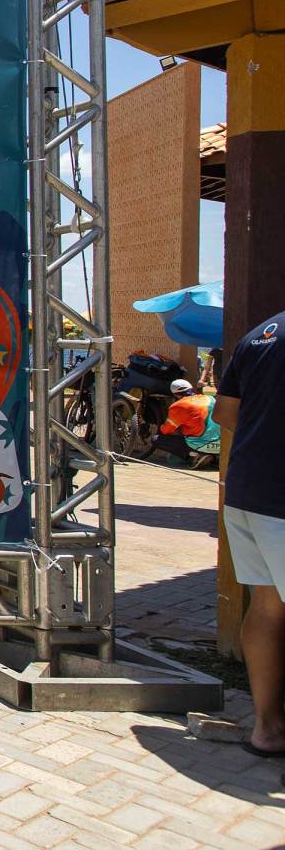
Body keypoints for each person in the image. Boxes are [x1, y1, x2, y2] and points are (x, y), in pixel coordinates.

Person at [213, 310, 285, 761]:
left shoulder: (260, 334)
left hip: (248, 492)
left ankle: (267, 729)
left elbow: (224, 412)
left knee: (267, 606)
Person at [153, 377, 220, 467]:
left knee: (156, 439)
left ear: (175, 394)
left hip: (200, 445)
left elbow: (166, 430)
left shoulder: (178, 406)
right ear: (191, 388)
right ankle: (215, 459)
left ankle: (195, 455)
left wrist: (163, 427)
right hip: (221, 445)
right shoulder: (210, 398)